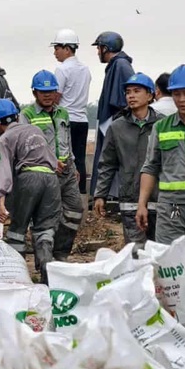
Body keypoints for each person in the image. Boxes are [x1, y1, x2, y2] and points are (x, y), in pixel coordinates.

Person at [0, 99, 60, 283]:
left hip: (29, 178)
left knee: (17, 231)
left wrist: (1, 200)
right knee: (45, 229)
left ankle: (18, 277)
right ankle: (47, 275)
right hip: (51, 179)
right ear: (16, 115)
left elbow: (4, 170)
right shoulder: (34, 130)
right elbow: (52, 159)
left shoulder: (4, 139)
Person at [19, 70, 82, 261]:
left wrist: (73, 163)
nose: (47, 95)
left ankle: (60, 253)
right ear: (34, 93)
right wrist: (50, 162)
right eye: (42, 91)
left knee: (74, 211)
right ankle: (43, 261)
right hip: (45, 173)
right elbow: (26, 146)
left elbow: (67, 140)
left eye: (51, 91)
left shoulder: (62, 113)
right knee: (44, 219)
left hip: (67, 171)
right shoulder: (27, 115)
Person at [93, 73, 161, 247]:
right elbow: (107, 163)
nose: (131, 95)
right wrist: (101, 194)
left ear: (150, 95)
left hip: (161, 201)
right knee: (136, 253)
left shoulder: (162, 124)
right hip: (130, 200)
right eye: (128, 92)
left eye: (137, 91)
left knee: (161, 253)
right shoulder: (117, 127)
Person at [139, 64, 185, 244]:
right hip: (170, 208)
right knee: (168, 261)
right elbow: (151, 167)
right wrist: (142, 204)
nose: (181, 99)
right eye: (177, 94)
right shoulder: (161, 127)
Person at [90, 31, 135, 197]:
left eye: (99, 48)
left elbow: (127, 98)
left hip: (115, 122)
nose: (97, 52)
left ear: (106, 48)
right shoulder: (116, 65)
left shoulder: (121, 65)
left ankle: (114, 196)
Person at [51, 29, 92, 194]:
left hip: (65, 120)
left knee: (64, 158)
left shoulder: (62, 70)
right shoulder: (85, 69)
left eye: (57, 48)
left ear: (67, 48)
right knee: (80, 159)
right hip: (82, 119)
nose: (55, 52)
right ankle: (80, 194)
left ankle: (65, 194)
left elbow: (55, 98)